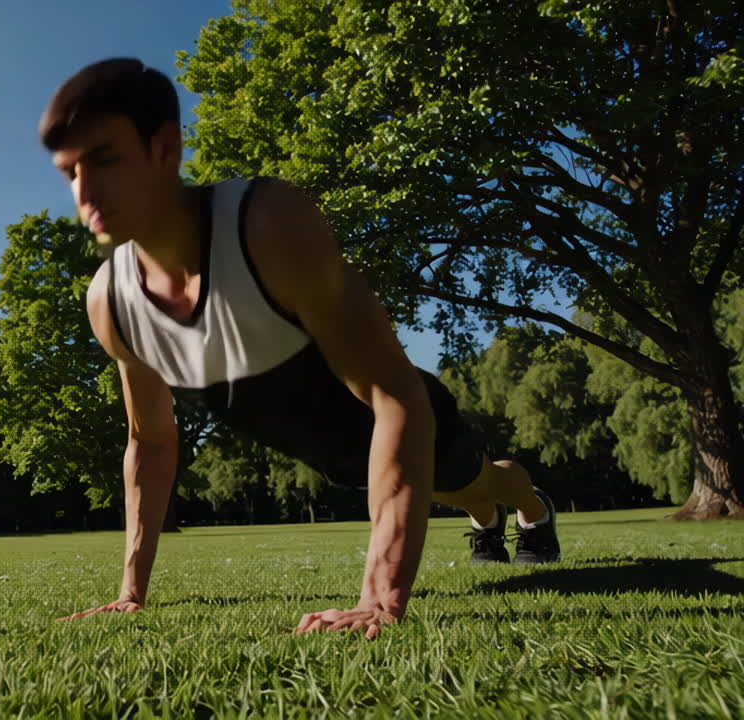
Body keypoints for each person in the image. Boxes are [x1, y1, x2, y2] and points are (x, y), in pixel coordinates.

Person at [39, 58, 561, 639]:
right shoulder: (111, 302)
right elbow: (152, 441)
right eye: (70, 172)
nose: (85, 191)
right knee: (459, 497)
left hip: (409, 423)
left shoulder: (266, 223)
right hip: (344, 461)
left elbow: (396, 397)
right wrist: (130, 593)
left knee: (478, 481)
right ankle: (485, 521)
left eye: (105, 159)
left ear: (165, 148)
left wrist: (380, 600)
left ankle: (532, 509)